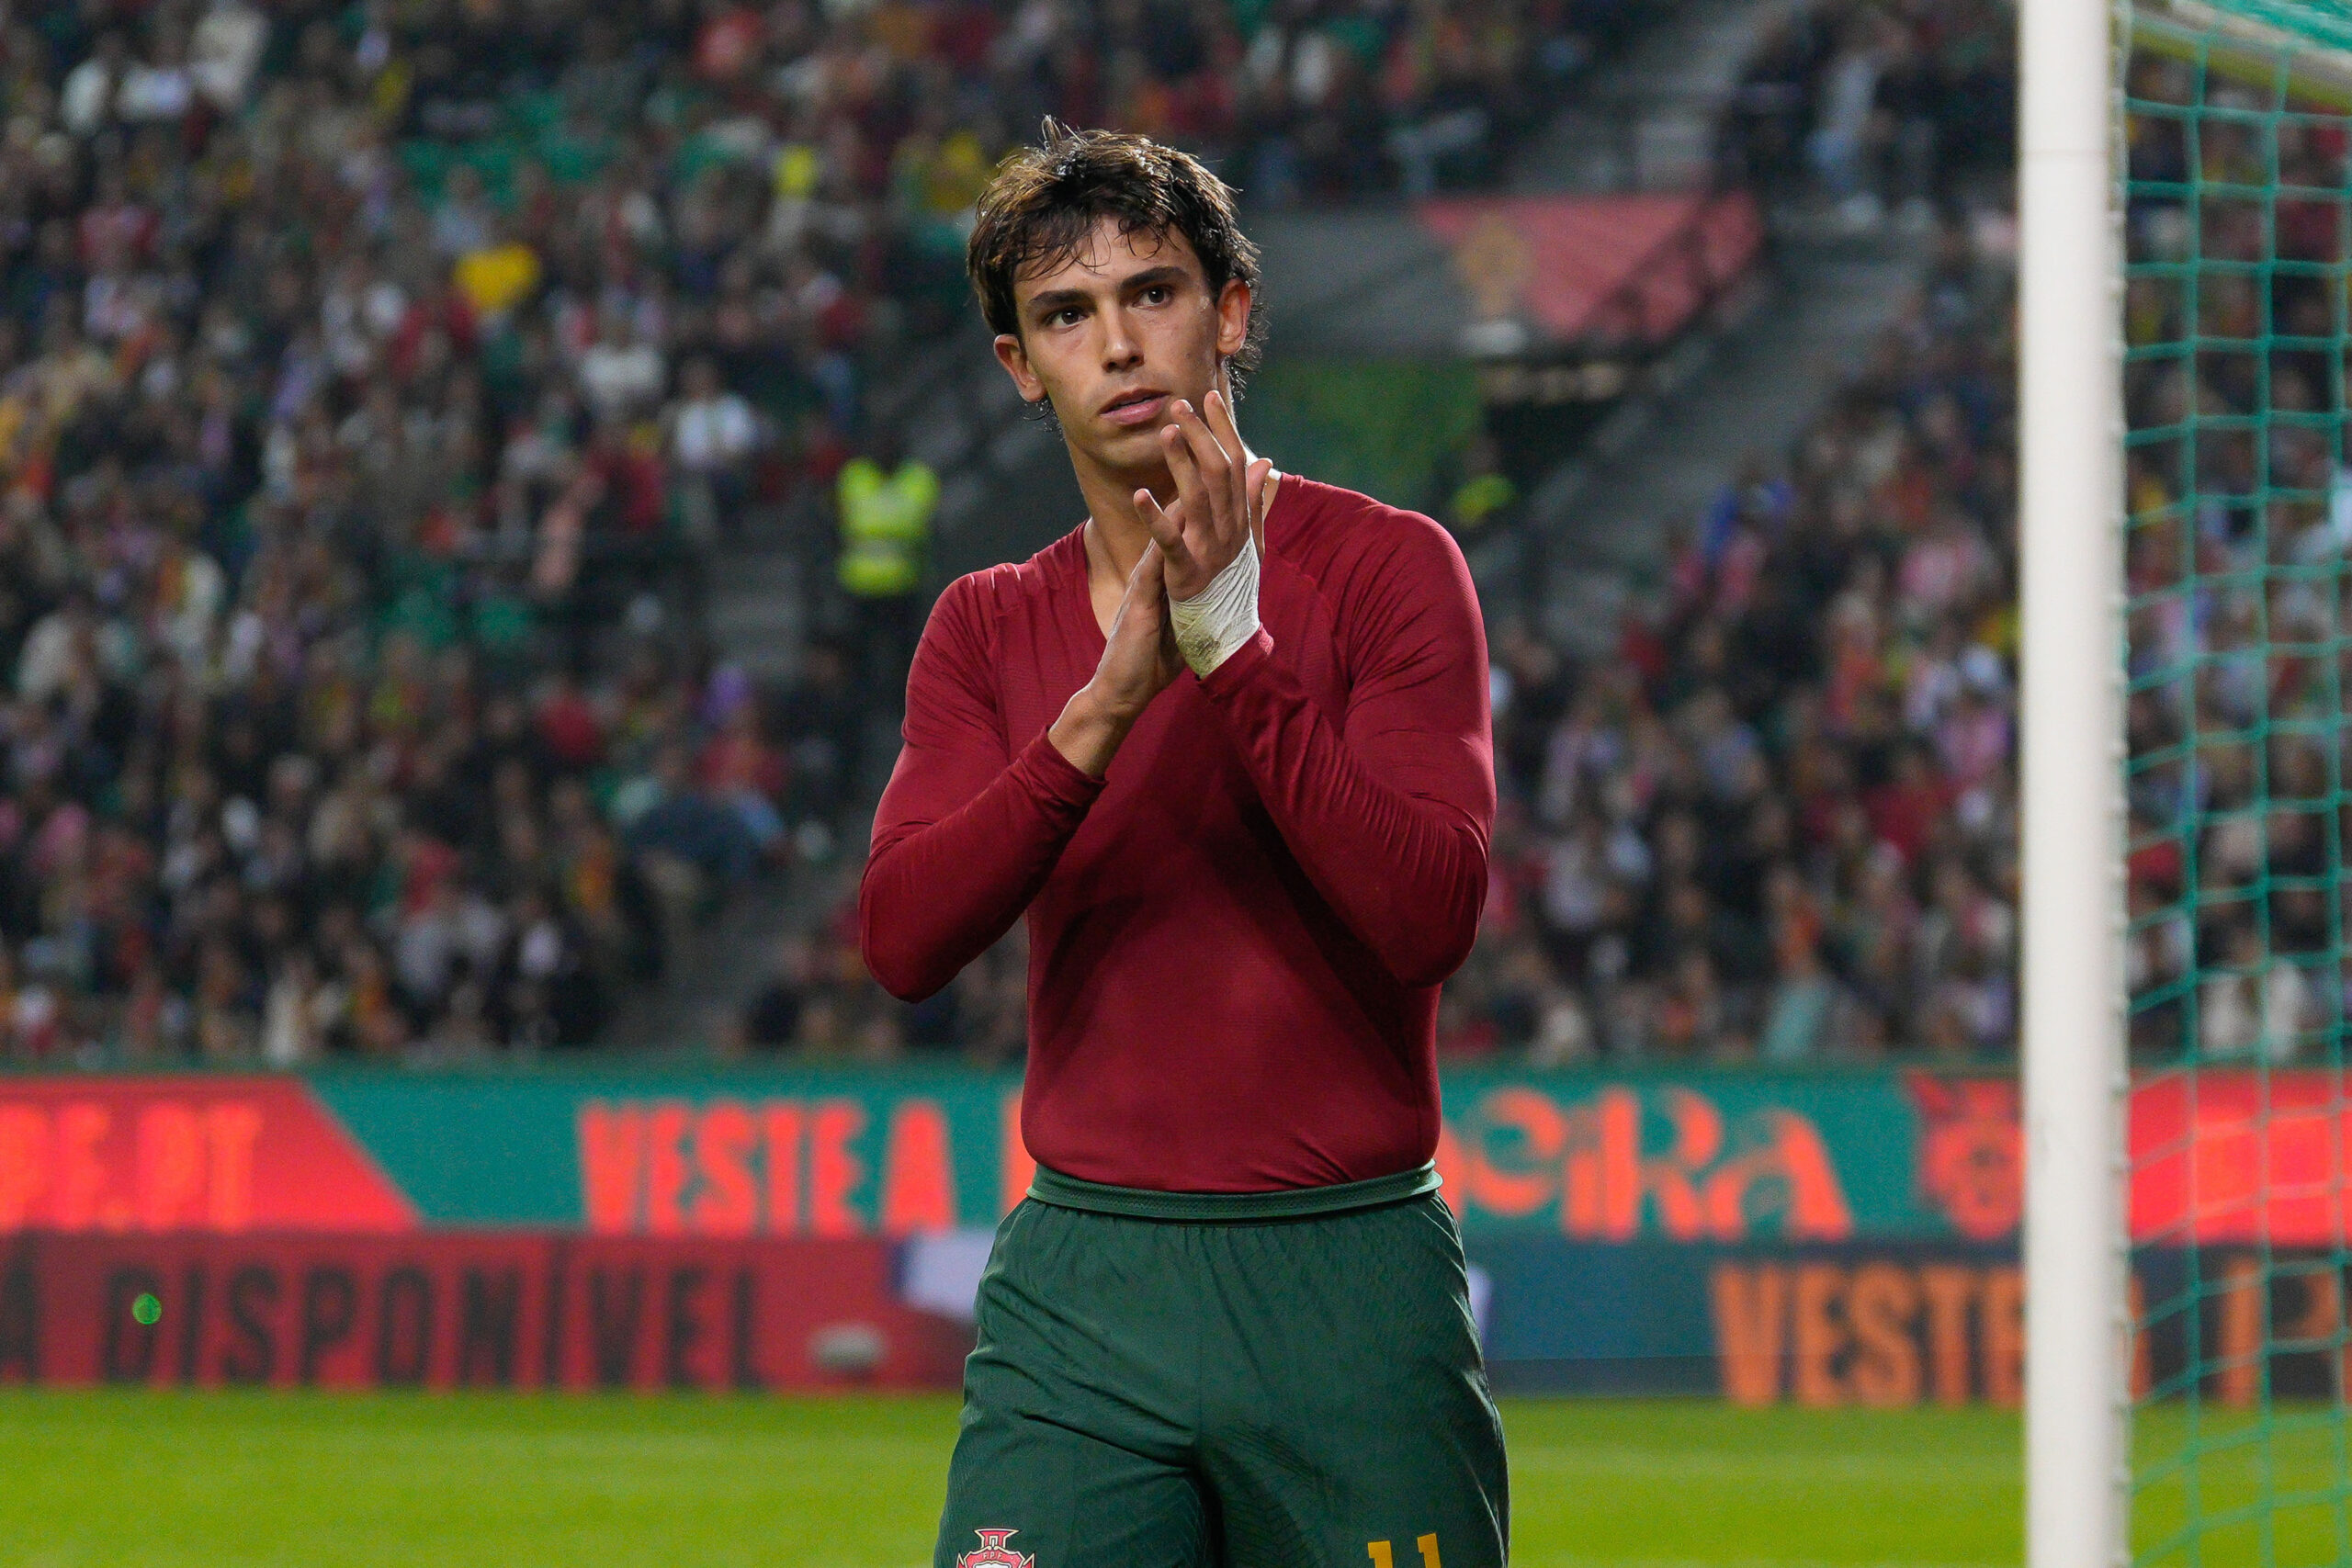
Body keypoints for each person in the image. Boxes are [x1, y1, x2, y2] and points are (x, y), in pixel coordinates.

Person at [859, 123, 1506, 1568]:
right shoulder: (985, 625)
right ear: (1021, 368)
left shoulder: (1393, 569)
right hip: (1084, 1287)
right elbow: (901, 940)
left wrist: (1231, 645)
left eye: (1152, 293)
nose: (1119, 344)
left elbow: (1426, 915)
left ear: (1231, 313)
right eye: (1066, 316)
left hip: (1348, 1280)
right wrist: (1099, 716)